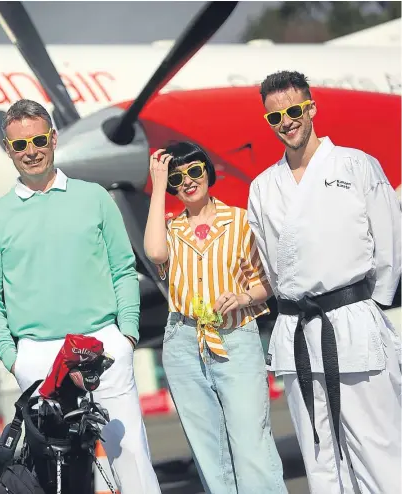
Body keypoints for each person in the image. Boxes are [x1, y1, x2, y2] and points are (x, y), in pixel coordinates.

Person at [0, 99, 161, 494]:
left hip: (101, 346)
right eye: (19, 145)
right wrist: (13, 357)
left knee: (130, 459)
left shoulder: (93, 198)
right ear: (8, 150)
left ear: (54, 138)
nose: (31, 151)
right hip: (37, 358)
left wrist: (125, 336)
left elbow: (123, 269)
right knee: (55, 475)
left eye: (39, 139)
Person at [247, 70, 401, 494]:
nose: (287, 122)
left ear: (311, 108)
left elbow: (390, 243)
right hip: (297, 329)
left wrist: (371, 304)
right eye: (275, 116)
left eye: (294, 110)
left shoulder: (355, 165)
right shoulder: (262, 188)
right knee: (320, 458)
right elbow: (273, 268)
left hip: (352, 319)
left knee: (377, 447)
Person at [143, 141, 287, 494]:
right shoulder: (170, 229)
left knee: (251, 439)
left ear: (208, 172)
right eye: (178, 178)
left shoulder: (240, 221)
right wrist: (158, 186)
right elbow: (154, 252)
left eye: (194, 171)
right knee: (208, 448)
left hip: (234, 336)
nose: (188, 181)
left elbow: (266, 281)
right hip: (183, 341)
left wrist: (242, 296)